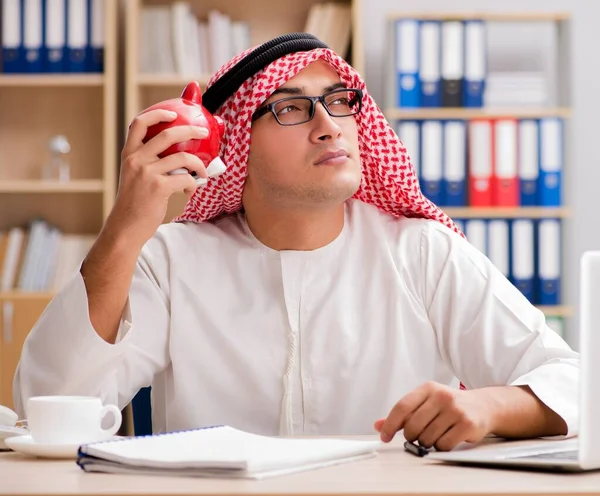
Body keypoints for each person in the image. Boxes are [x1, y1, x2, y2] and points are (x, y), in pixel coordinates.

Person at [13, 33, 578, 452]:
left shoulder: (422, 252)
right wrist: (127, 226)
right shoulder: (170, 261)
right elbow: (50, 405)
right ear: (233, 148)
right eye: (289, 107)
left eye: (339, 101)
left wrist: (491, 403)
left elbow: (575, 383)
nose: (330, 125)